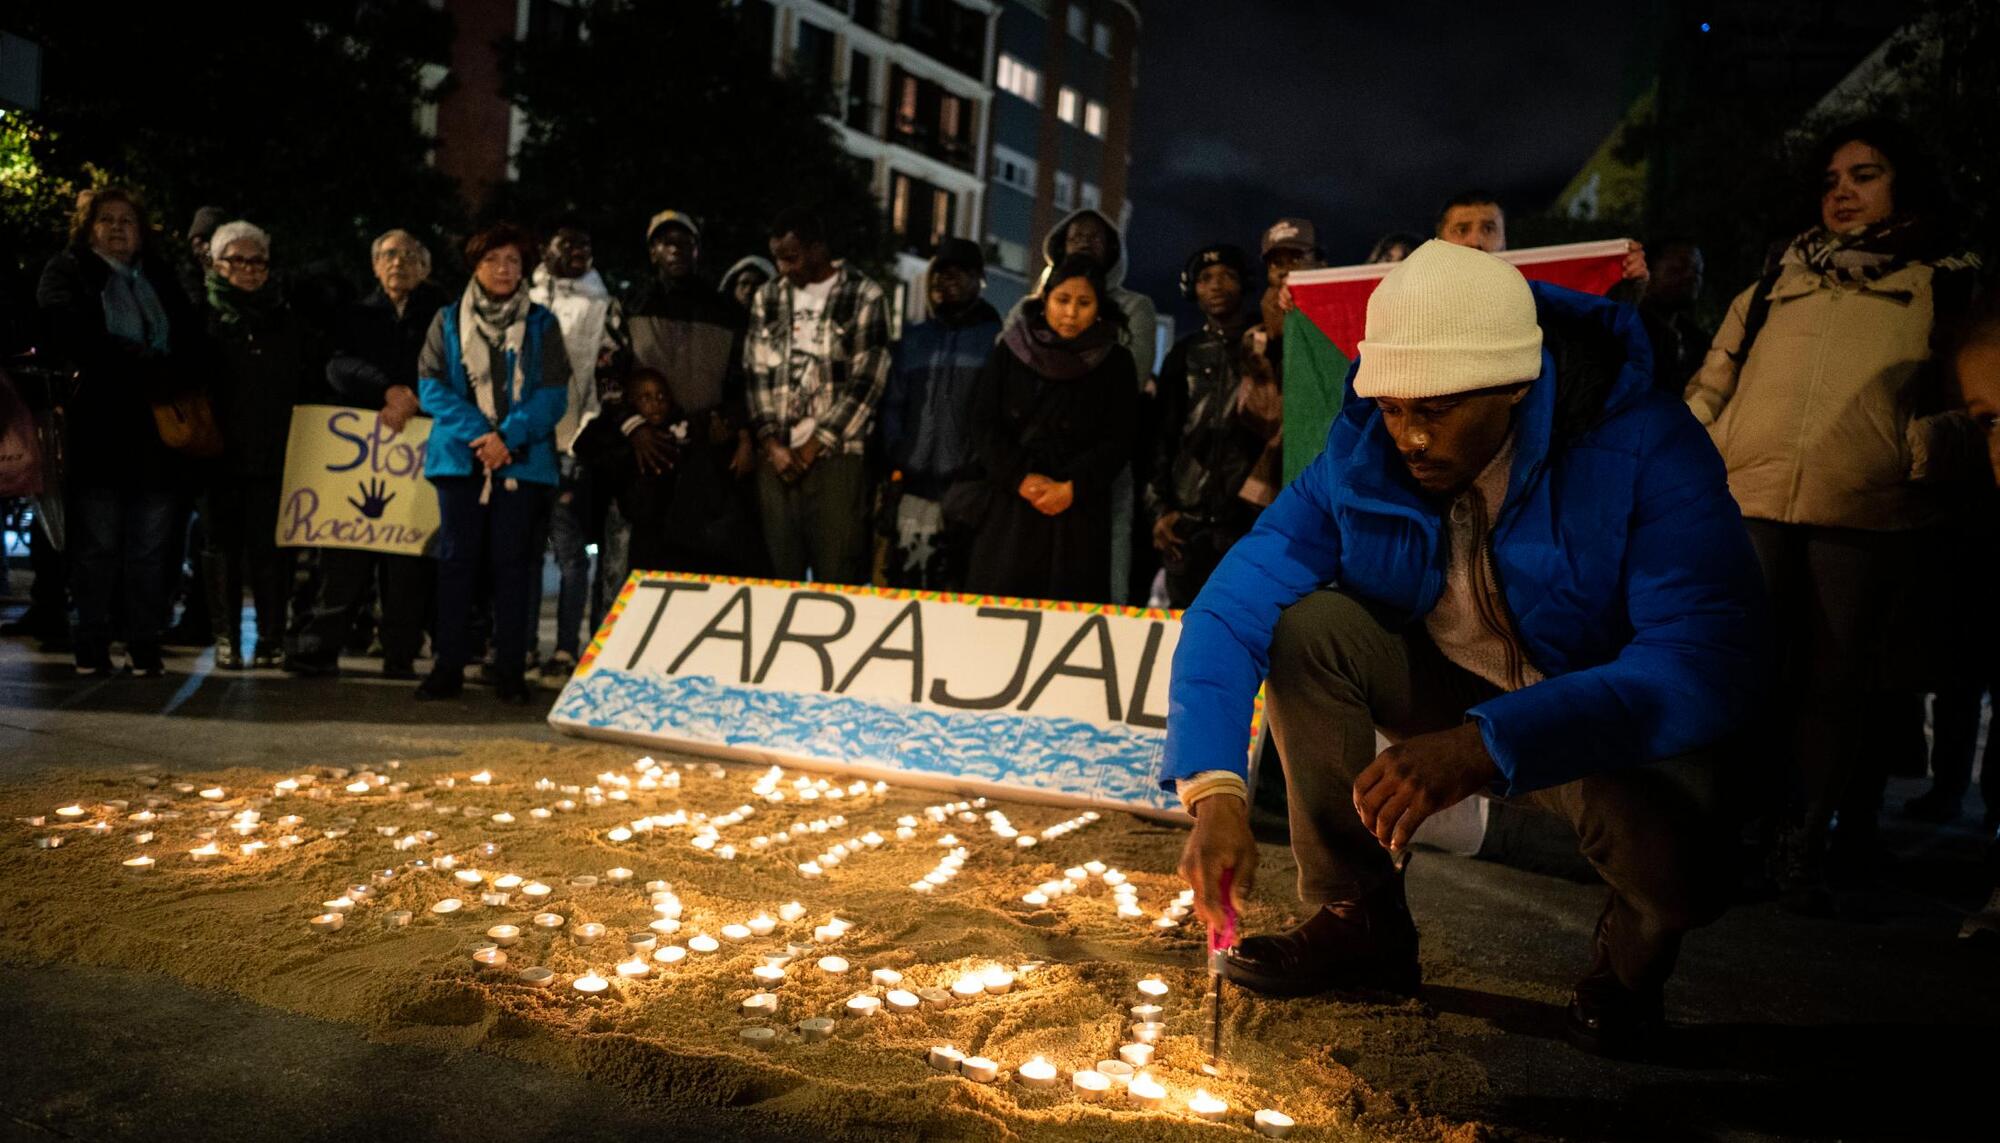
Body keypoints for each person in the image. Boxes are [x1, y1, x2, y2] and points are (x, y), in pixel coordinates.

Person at [1168, 240, 1765, 1058]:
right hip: (1452, 682)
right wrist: (1216, 791)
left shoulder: (1644, 444)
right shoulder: (1362, 452)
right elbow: (1230, 605)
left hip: (1597, 712)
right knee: (1309, 629)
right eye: (1392, 405)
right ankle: (1360, 915)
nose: (1409, 437)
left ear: (1517, 384)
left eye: (1438, 409)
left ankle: (1632, 962)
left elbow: (1702, 659)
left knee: (1683, 861)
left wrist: (1491, 741)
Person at [1683, 119, 1985, 907]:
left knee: (1834, 685)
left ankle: (1800, 842)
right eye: (1831, 180)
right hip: (1750, 498)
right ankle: (1719, 831)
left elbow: (1977, 399)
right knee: (1738, 669)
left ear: (1904, 183)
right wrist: (1708, 441)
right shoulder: (1776, 279)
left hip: (1867, 508)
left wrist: (1915, 450)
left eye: (1865, 175)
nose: (1843, 192)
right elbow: (1713, 380)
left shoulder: (1947, 281)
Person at [35, 186, 204, 676]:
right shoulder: (68, 272)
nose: (115, 227)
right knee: (99, 545)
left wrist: (166, 372)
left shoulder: (159, 277)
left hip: (157, 435)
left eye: (126, 220)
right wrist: (136, 365)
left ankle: (143, 641)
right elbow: (69, 333)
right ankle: (91, 640)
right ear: (87, 228)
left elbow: (191, 339)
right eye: (105, 219)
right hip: (100, 429)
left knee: (151, 548)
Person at [414, 223, 570, 704]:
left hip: (520, 464)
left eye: (513, 262)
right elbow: (432, 387)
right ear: (475, 266)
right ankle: (448, 665)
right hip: (462, 460)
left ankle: (509, 669)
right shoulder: (445, 320)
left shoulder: (542, 324)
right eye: (493, 261)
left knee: (513, 566)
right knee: (457, 562)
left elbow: (553, 394)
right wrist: (482, 436)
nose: (504, 270)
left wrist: (508, 439)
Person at [288, 229, 446, 678]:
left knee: (408, 562)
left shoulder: (442, 316)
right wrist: (387, 390)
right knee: (343, 557)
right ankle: (321, 646)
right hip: (361, 454)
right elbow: (336, 365)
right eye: (389, 254)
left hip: (415, 453)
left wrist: (414, 398)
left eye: (409, 255)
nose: (399, 262)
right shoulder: (355, 314)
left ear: (425, 268)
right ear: (375, 266)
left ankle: (400, 652)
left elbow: (451, 369)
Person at [1003, 208, 1160, 605]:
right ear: (1060, 244)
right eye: (1076, 236)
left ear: (1113, 248)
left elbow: (1133, 380)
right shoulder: (1028, 310)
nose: (1086, 243)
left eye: (1097, 237)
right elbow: (1004, 378)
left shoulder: (1135, 308)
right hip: (1031, 463)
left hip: (1101, 463)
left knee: (1106, 572)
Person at [964, 255, 1137, 603]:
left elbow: (1121, 438)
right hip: (1011, 510)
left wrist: (1072, 487)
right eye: (1062, 300)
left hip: (1078, 517)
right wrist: (1020, 478)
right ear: (1045, 300)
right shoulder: (1011, 350)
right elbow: (983, 424)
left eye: (1084, 303)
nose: (1071, 313)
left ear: (1099, 306)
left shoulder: (1115, 361)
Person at [612, 208, 762, 589]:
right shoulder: (629, 305)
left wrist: (736, 425)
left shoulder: (724, 310)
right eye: (665, 242)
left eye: (684, 241)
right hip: (651, 452)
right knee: (647, 564)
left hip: (708, 456)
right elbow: (608, 375)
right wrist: (633, 428)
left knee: (706, 563)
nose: (675, 249)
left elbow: (744, 378)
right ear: (652, 252)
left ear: (697, 250)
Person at [744, 207, 890, 586]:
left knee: (837, 573)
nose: (783, 267)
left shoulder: (864, 295)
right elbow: (755, 374)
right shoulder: (768, 296)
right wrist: (772, 444)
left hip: (837, 457)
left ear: (818, 248)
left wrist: (813, 446)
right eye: (777, 257)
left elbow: (867, 383)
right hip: (777, 458)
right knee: (779, 577)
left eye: (791, 257)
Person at [199, 221, 311, 669]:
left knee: (272, 548)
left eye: (256, 261)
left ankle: (271, 637)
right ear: (216, 263)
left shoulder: (286, 319)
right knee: (219, 547)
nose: (248, 269)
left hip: (272, 452)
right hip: (216, 455)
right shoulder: (200, 317)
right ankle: (226, 638)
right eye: (237, 260)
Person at [1150, 243, 1279, 607]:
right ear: (1192, 288)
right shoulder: (1183, 353)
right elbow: (1161, 439)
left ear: (1245, 283)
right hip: (1186, 525)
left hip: (1249, 522)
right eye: (1205, 278)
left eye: (1227, 276)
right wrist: (1159, 511)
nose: (1217, 285)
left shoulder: (1268, 345)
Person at [878, 237, 1001, 589]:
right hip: (914, 487)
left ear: (978, 279)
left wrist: (977, 468)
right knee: (906, 581)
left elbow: (998, 414)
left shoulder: (996, 339)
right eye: (938, 274)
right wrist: (898, 454)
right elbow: (893, 403)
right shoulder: (915, 339)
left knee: (958, 585)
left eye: (957, 273)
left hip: (968, 492)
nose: (944, 282)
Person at [525, 223, 620, 679]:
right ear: (547, 251)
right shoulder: (526, 299)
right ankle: (519, 644)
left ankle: (566, 647)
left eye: (586, 244)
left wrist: (587, 434)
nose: (580, 251)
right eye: (569, 245)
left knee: (570, 554)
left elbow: (606, 374)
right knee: (521, 550)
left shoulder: (601, 303)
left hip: (572, 445)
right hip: (524, 441)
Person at [573, 368, 689, 574]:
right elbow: (586, 447)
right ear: (631, 402)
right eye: (646, 398)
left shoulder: (680, 432)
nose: (656, 403)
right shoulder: (616, 434)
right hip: (626, 523)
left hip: (669, 529)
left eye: (661, 396)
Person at [1435, 189, 1649, 285]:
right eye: (1461, 230)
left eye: (1489, 229)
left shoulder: (1537, 295)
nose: (1475, 242)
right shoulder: (1410, 297)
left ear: (1505, 239)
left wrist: (1628, 283)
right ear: (1439, 240)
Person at [1637, 237, 1710, 394]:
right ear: (1646, 274)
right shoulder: (1625, 332)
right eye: (1678, 268)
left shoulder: (1699, 342)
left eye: (1698, 271)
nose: (1691, 277)